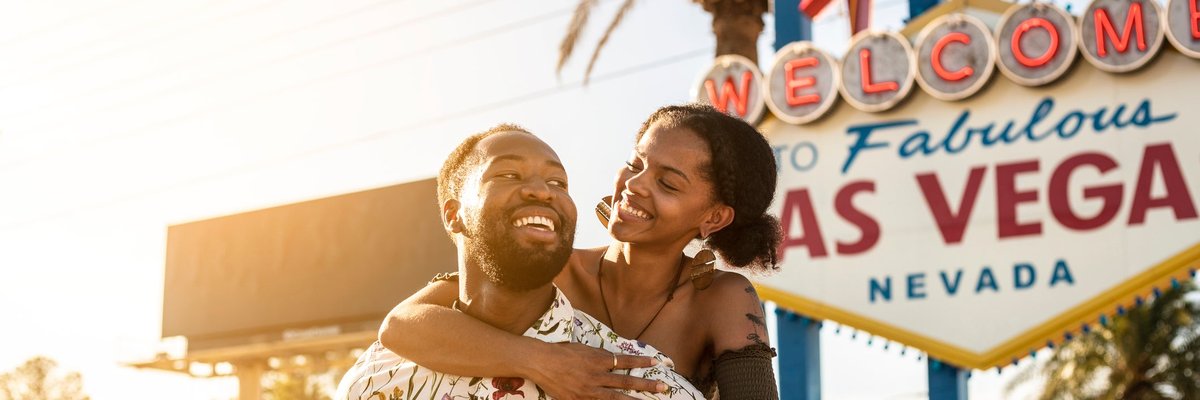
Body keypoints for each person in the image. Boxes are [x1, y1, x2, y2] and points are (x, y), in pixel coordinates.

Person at [380, 104, 783, 399]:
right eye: (635, 162)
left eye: (668, 184)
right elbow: (402, 326)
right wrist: (544, 362)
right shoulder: (554, 267)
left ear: (713, 217)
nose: (634, 184)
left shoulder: (721, 298)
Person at [335, 125, 705, 399]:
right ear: (454, 215)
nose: (542, 190)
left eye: (558, 183)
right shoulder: (375, 380)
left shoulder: (643, 384)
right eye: (508, 174)